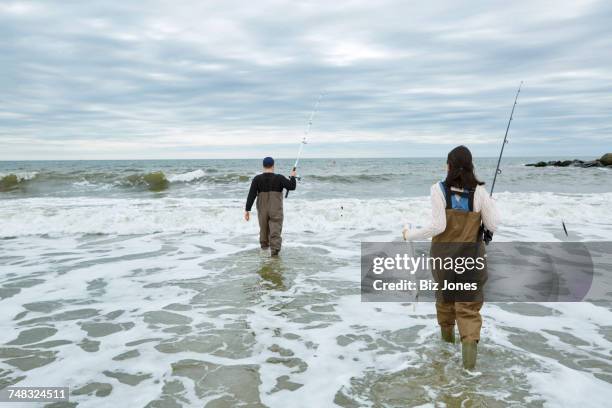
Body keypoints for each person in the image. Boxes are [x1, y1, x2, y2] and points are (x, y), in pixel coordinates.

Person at [402, 145, 499, 369]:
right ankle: (468, 372)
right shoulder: (480, 191)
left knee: (445, 305)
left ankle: (446, 357)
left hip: (443, 259)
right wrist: (489, 205)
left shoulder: (438, 189)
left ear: (449, 166)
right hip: (472, 259)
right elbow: (493, 224)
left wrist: (409, 235)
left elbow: (437, 226)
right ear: (471, 166)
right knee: (468, 309)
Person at [245, 157, 297, 256]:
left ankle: (264, 251)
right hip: (276, 208)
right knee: (275, 230)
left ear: (263, 166)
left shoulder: (257, 179)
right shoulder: (280, 178)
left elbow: (251, 195)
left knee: (263, 229)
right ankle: (275, 253)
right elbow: (291, 186)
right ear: (273, 166)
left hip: (262, 207)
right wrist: (293, 177)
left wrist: (247, 210)